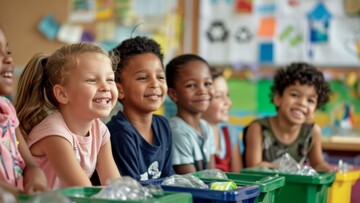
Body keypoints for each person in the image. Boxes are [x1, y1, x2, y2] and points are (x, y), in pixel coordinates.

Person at [15, 42, 121, 190]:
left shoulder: (100, 131)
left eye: (110, 79)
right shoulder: (53, 133)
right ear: (62, 94)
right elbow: (82, 191)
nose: (105, 87)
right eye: (91, 80)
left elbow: (115, 186)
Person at [243, 62, 332, 171]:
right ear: (278, 98)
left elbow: (317, 164)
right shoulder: (258, 129)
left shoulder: (313, 132)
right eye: (294, 95)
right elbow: (254, 167)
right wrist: (289, 169)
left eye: (310, 100)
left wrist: (332, 171)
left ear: (315, 110)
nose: (302, 103)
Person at [107, 36, 173, 181]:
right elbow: (132, 191)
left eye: (160, 77)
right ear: (120, 90)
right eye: (143, 78)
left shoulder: (163, 125)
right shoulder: (120, 133)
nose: (155, 84)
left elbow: (170, 180)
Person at [0, 26, 47, 194]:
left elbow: (29, 164)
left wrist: (36, 180)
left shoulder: (7, 110)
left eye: (8, 51)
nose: (8, 59)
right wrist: (16, 197)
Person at [166, 54, 216, 174]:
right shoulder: (177, 132)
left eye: (207, 84)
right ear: (173, 94)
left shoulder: (206, 128)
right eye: (191, 85)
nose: (202, 91)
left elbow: (214, 175)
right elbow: (191, 183)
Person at [202, 67, 242, 172]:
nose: (228, 103)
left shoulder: (230, 134)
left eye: (227, 95)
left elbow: (238, 177)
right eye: (219, 96)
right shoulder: (194, 136)